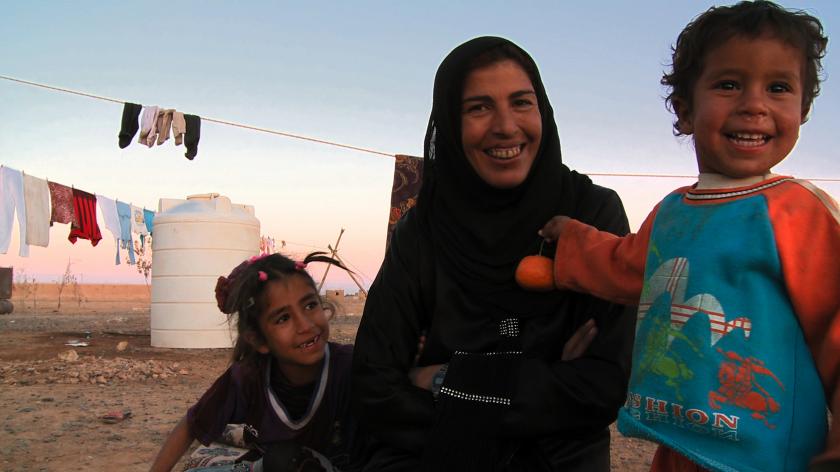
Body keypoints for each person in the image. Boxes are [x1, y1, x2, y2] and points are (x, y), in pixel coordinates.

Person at [538, 2, 838, 471]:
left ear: (802, 110)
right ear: (684, 110)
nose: (754, 105)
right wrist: (572, 242)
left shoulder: (799, 212)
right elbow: (629, 264)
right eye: (728, 84)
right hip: (677, 440)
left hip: (767, 456)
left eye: (778, 87)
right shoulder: (676, 211)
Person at [351, 36, 637, 471]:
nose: (505, 126)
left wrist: (447, 379)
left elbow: (603, 385)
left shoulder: (591, 215)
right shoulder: (423, 231)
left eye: (521, 102)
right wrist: (544, 381)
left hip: (558, 460)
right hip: (431, 454)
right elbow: (375, 385)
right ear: (450, 121)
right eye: (478, 107)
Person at [149, 252, 359, 472]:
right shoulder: (248, 378)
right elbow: (191, 425)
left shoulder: (349, 368)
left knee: (288, 460)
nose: (305, 325)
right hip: (271, 466)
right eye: (283, 318)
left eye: (309, 306)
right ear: (258, 339)